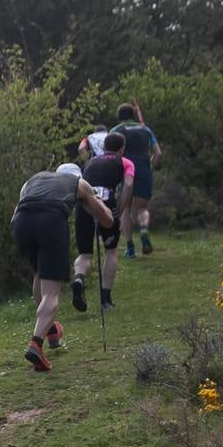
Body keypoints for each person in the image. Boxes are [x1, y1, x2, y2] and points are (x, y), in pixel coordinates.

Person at [10, 164, 114, 371]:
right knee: (52, 292)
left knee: (41, 273)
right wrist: (99, 204)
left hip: (20, 224)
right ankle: (35, 345)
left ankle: (51, 330)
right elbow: (107, 220)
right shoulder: (79, 183)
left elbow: (17, 210)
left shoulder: (34, 178)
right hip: (50, 221)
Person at [71, 132, 135, 313]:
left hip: (83, 203)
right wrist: (120, 210)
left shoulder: (90, 162)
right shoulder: (125, 162)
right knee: (111, 250)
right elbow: (128, 185)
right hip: (105, 201)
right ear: (121, 149)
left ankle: (79, 279)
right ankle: (106, 299)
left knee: (85, 254)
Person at [109, 102, 162, 257]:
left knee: (125, 209)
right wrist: (152, 166)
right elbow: (158, 153)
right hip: (144, 170)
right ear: (133, 115)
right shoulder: (145, 129)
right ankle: (144, 229)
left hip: (125, 172)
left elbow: (110, 155)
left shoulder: (115, 131)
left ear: (119, 117)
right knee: (142, 209)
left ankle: (130, 246)